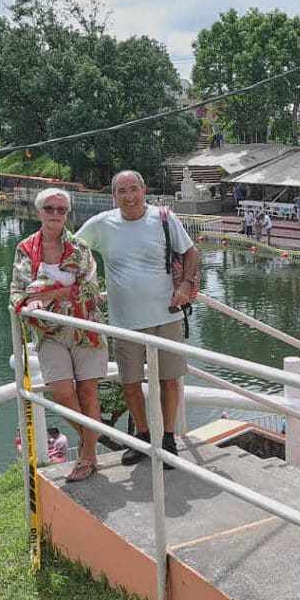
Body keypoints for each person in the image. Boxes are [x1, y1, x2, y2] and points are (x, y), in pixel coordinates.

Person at [76, 170, 200, 467]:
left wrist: (185, 285)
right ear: (114, 196)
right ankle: (143, 438)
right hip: (125, 322)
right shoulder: (101, 224)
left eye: (134, 189)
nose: (129, 196)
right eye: (122, 191)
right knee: (130, 384)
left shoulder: (164, 218)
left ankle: (168, 439)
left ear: (144, 191)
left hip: (167, 314)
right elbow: (71, 250)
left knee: (169, 380)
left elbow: (191, 252)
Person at [10, 187, 108, 482]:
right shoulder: (26, 248)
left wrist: (49, 293)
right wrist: (35, 298)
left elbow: (91, 288)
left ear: (67, 213)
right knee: (61, 392)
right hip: (48, 331)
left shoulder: (79, 247)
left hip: (86, 327)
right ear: (39, 212)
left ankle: (86, 457)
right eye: (50, 209)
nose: (55, 214)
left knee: (88, 393)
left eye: (61, 209)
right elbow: (18, 290)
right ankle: (90, 444)